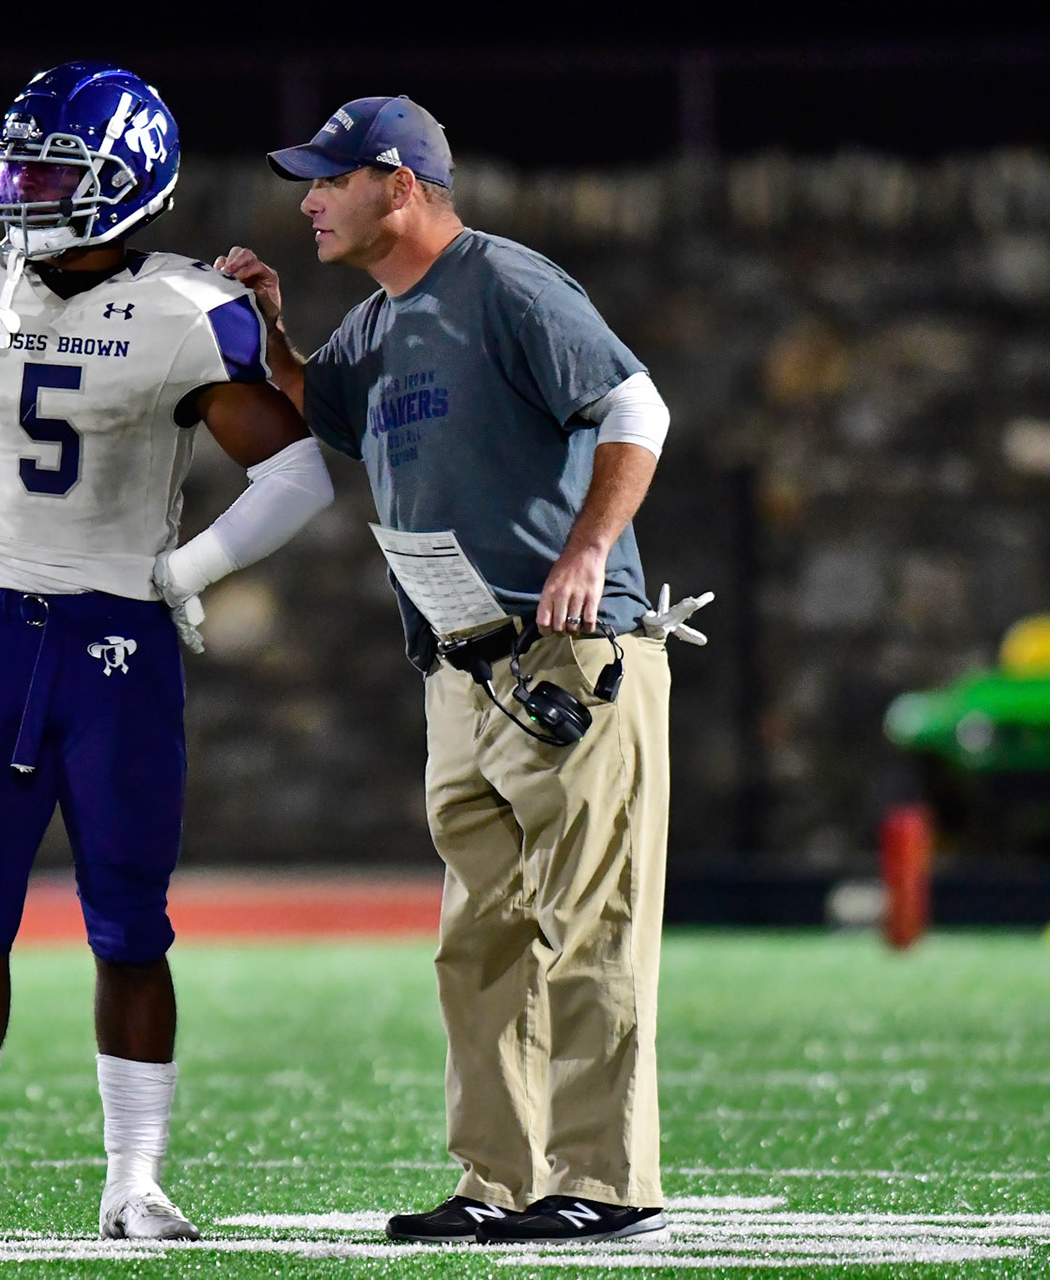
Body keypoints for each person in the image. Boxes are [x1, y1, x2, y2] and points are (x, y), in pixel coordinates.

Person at [0, 62, 334, 1244]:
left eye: (49, 175)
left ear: (131, 181)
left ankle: (137, 1180)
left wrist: (188, 569)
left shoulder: (185, 309)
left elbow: (297, 472)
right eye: (15, 171)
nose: (20, 196)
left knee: (129, 921)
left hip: (117, 641)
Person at [218, 95, 693, 1245]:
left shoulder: (507, 283)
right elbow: (317, 406)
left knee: (589, 919)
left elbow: (638, 404)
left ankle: (607, 1181)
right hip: (461, 666)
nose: (309, 201)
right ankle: (500, 1178)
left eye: (330, 179)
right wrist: (274, 331)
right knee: (480, 940)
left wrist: (589, 547)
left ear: (399, 182)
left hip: (567, 653)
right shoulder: (377, 323)